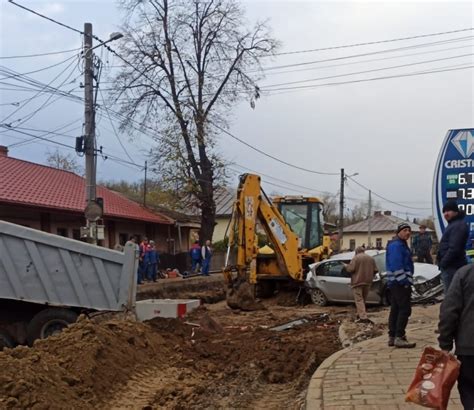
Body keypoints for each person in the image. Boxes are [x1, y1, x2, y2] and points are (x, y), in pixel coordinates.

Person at [438, 264, 474, 410]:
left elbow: (449, 311)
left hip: (469, 348)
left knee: (469, 390)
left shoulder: (465, 274)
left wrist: (445, 344)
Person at [386, 222, 416, 348]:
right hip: (399, 283)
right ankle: (399, 336)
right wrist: (404, 281)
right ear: (399, 232)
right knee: (405, 309)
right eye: (404, 230)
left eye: (409, 230)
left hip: (395, 283)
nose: (408, 233)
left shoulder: (400, 244)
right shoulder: (397, 246)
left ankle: (392, 337)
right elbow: (396, 265)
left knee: (396, 309)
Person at [437, 200, 469, 292]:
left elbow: (455, 249)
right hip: (451, 266)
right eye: (444, 211)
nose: (446, 213)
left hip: (452, 267)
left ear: (456, 212)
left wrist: (444, 263)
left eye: (448, 211)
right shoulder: (453, 224)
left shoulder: (458, 225)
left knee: (452, 296)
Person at [344, 246, 378, 324]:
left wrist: (346, 266)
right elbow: (376, 270)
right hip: (368, 282)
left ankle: (363, 318)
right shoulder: (371, 258)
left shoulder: (356, 258)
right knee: (363, 299)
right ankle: (360, 315)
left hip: (357, 282)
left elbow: (350, 269)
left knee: (359, 300)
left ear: (356, 251)